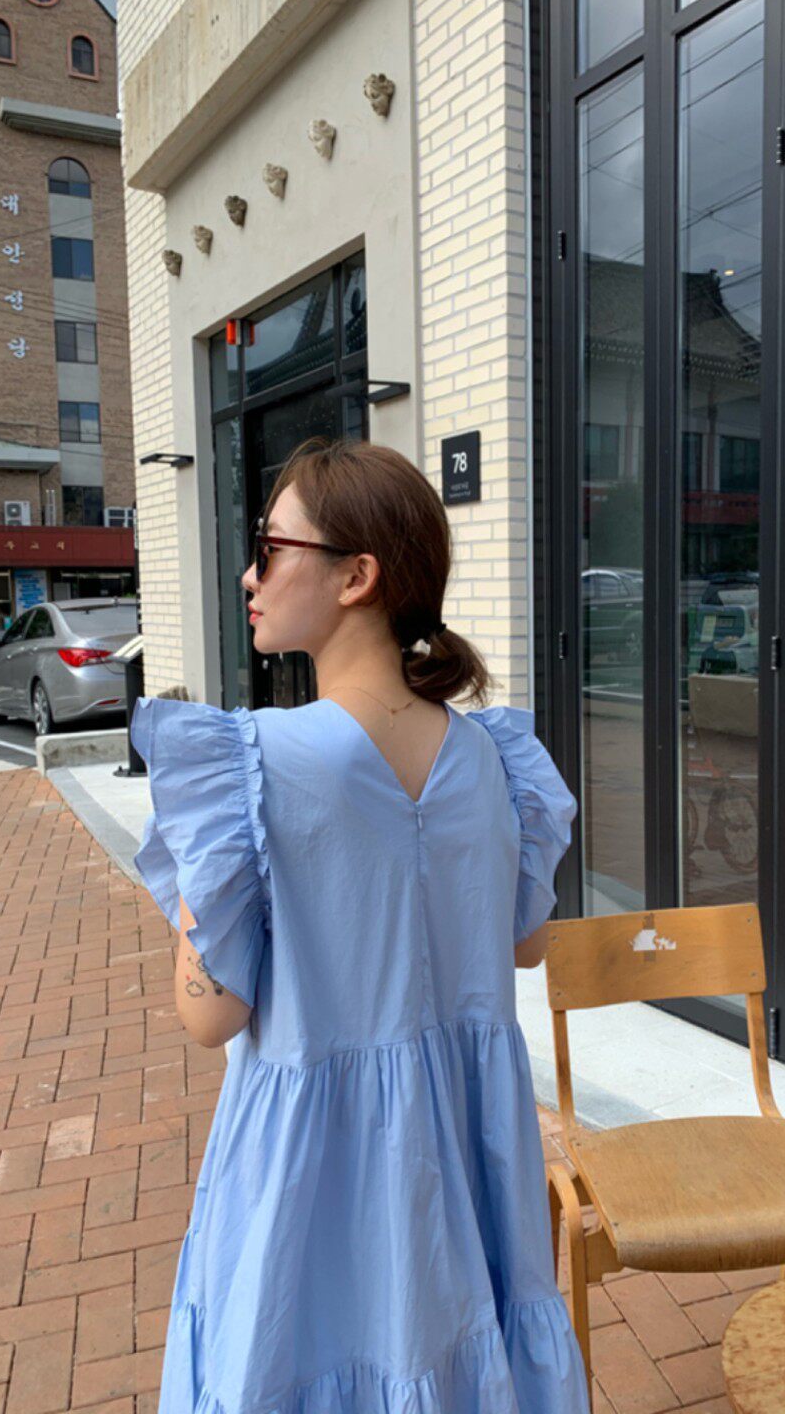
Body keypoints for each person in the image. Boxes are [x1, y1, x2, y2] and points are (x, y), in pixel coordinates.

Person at [129, 435, 590, 1414]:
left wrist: (205, 885)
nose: (250, 576)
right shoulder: (496, 760)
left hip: (315, 1175)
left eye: (270, 548)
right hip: (472, 1145)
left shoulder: (254, 765)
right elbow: (522, 946)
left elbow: (211, 1015)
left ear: (357, 576)